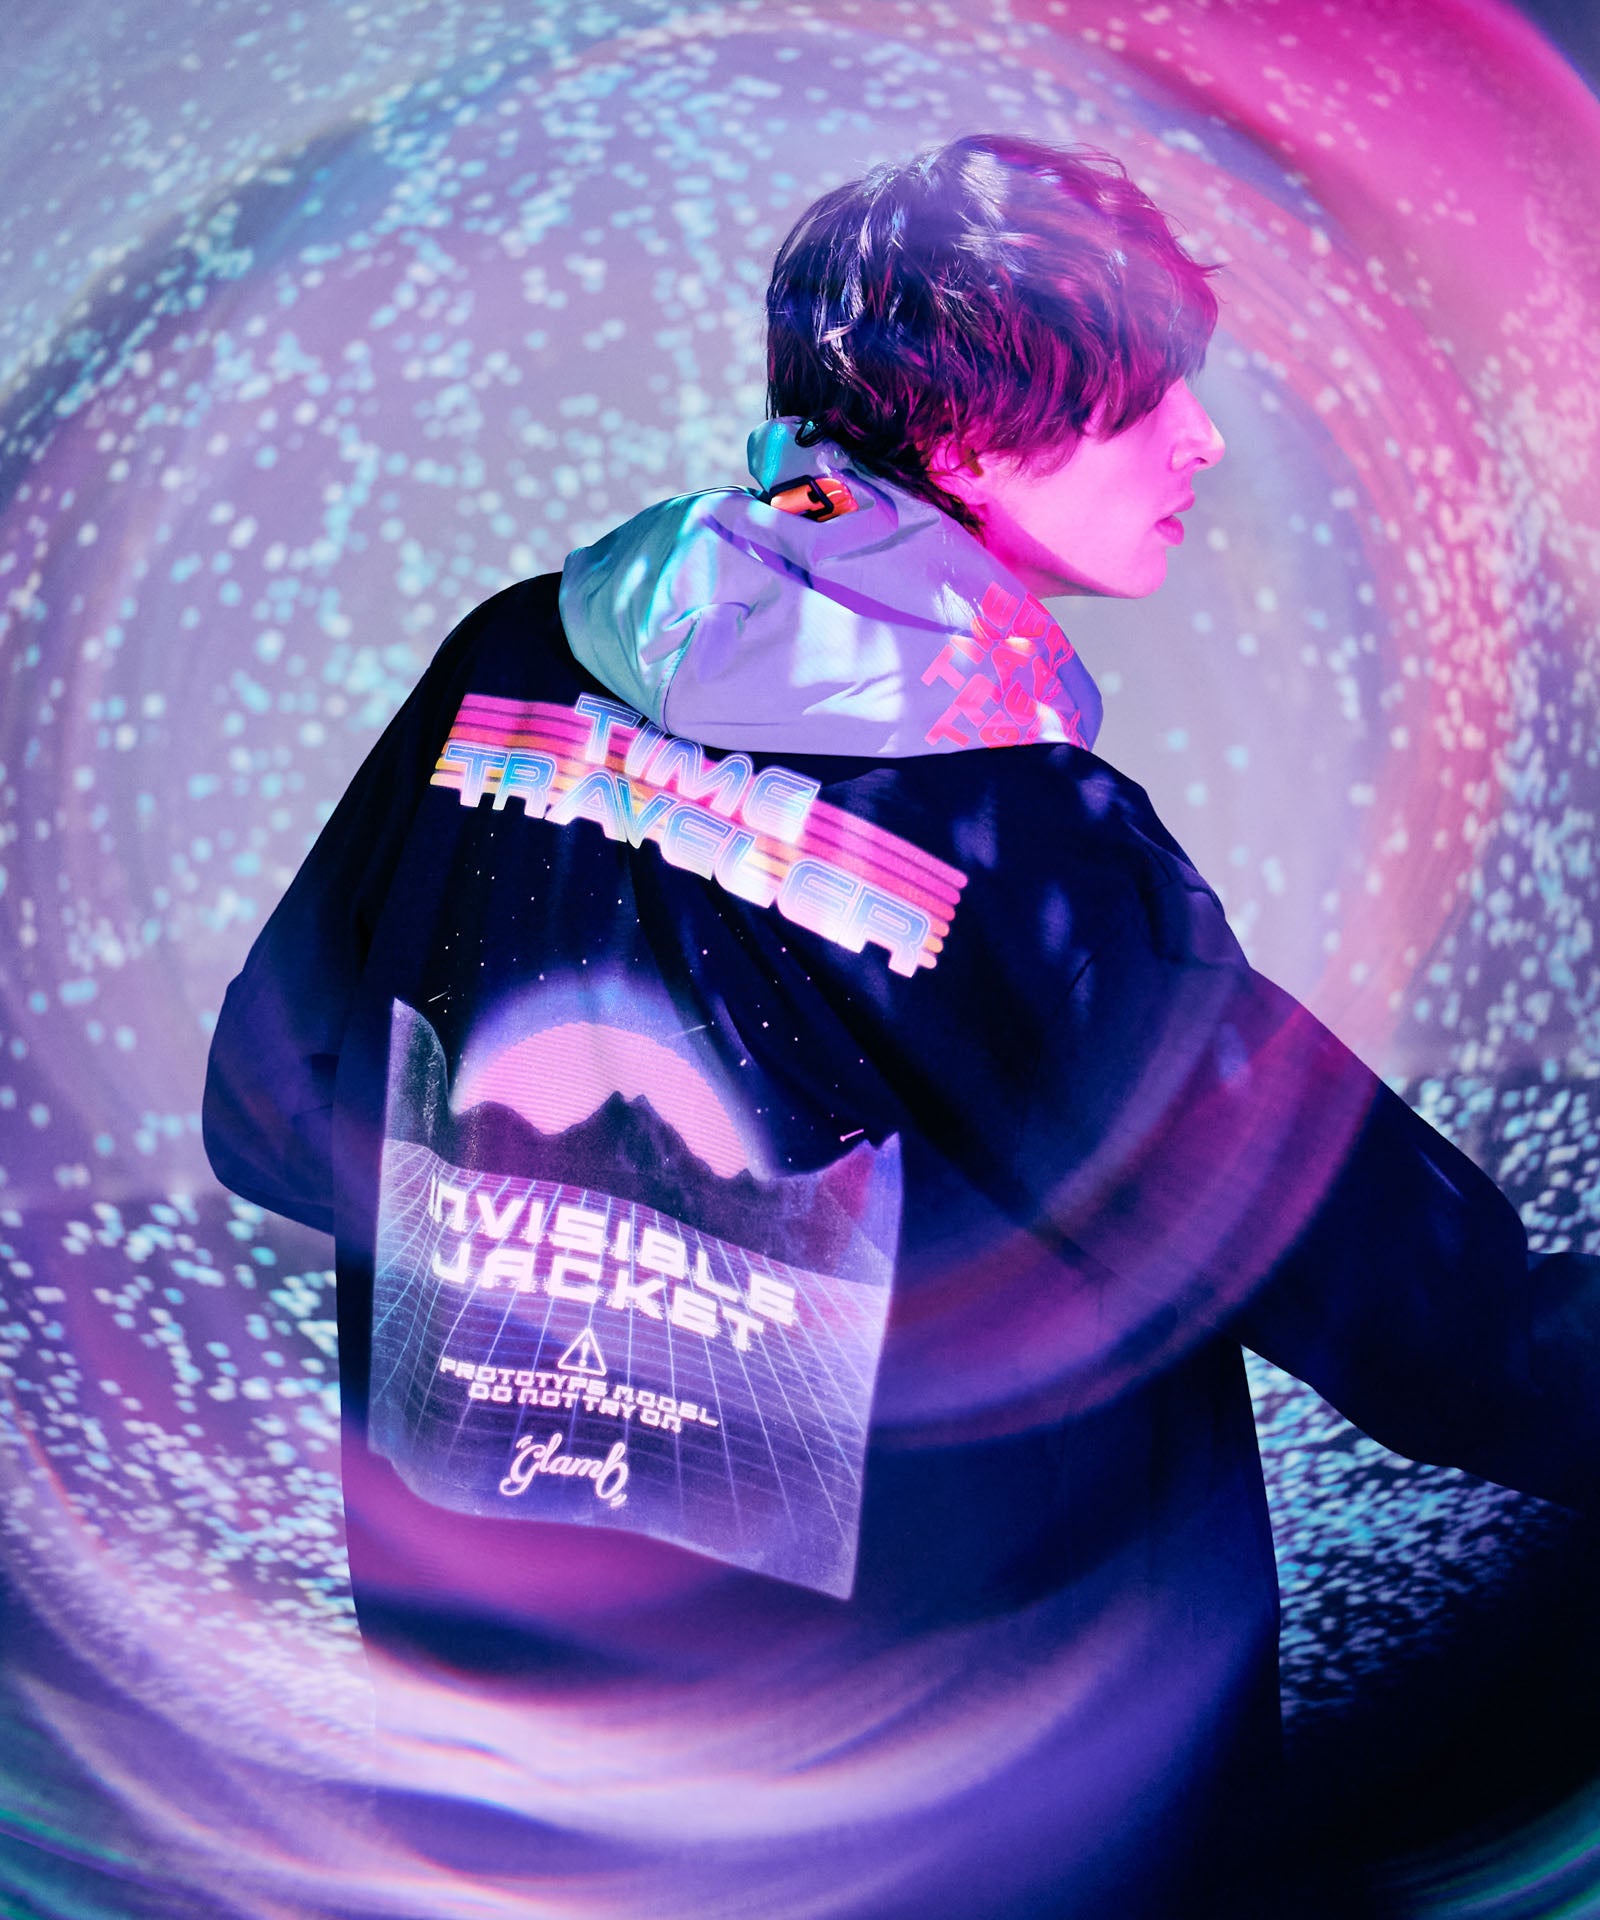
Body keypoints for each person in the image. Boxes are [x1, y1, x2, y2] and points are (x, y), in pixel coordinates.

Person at [203, 134, 1600, 1918]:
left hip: (531, 1767)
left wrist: (584, 1297)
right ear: (967, 438)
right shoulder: (1025, 840)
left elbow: (269, 1105)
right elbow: (1412, 1305)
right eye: (1143, 398)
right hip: (975, 1797)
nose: (1201, 440)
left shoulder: (514, 660)